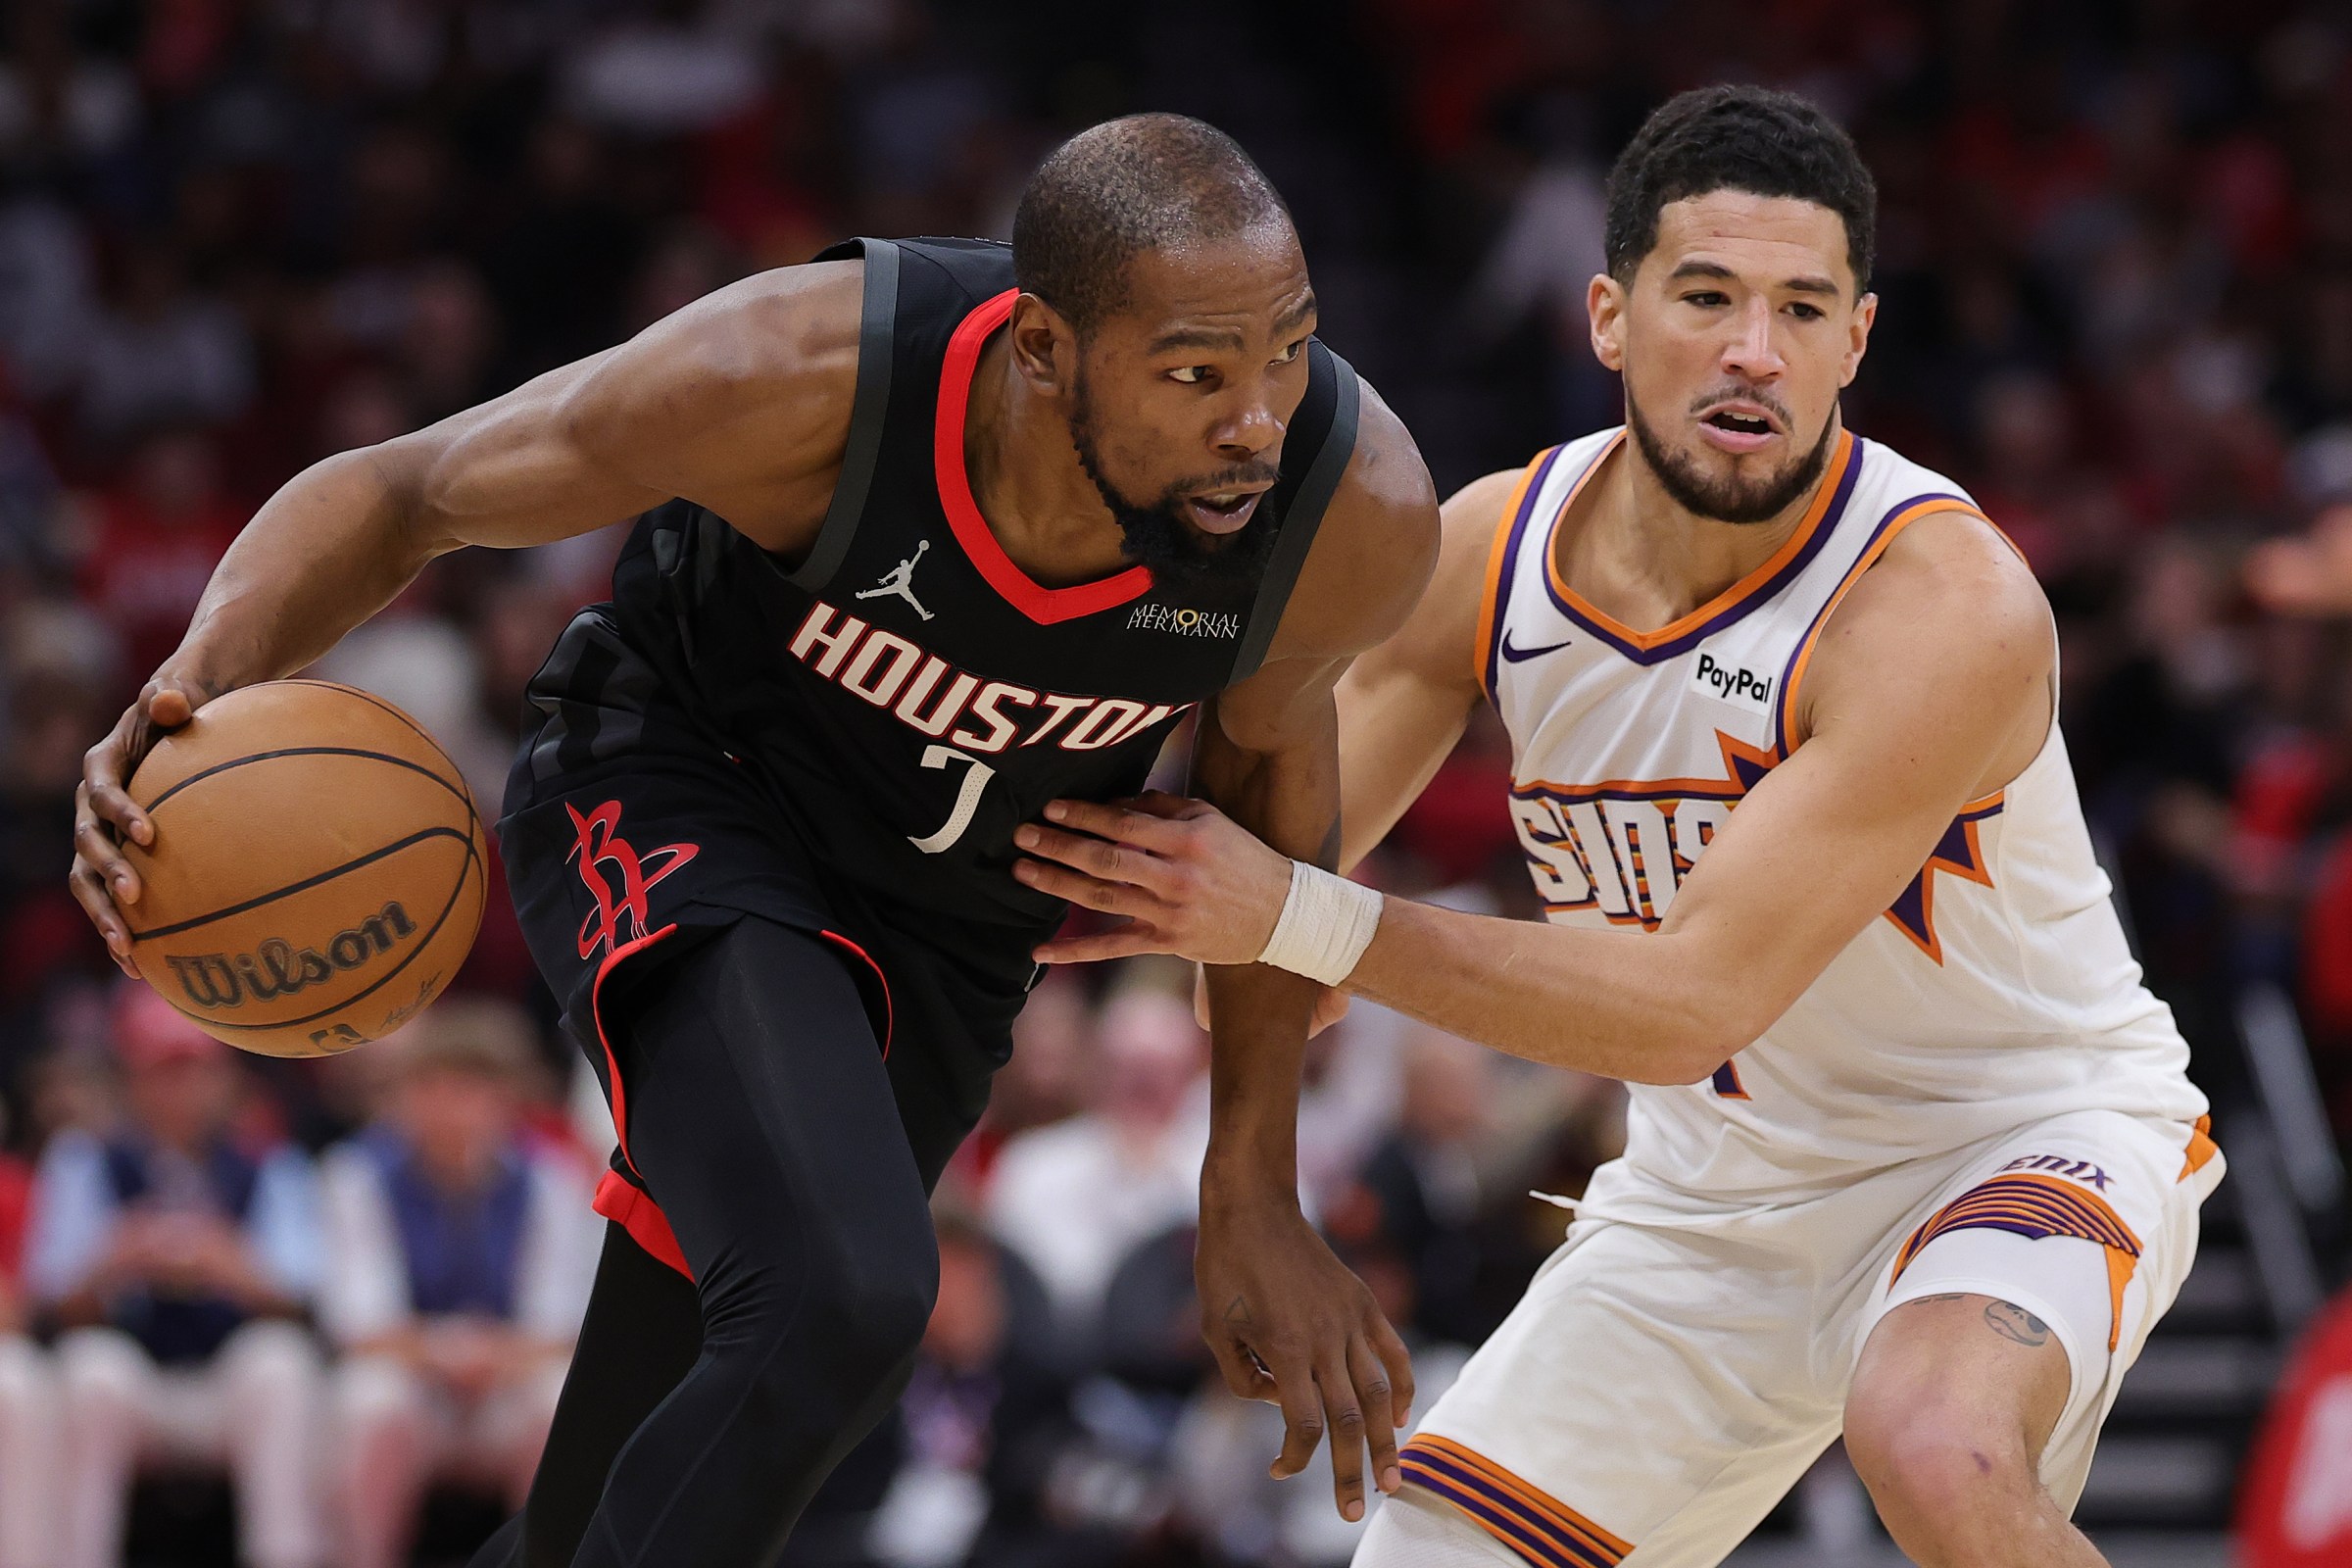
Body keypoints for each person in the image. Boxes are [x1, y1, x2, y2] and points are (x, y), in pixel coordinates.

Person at [70, 113, 1440, 1565]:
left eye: (1288, 350)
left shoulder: (1341, 510)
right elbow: (408, 488)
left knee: (620, 1488)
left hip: (953, 928)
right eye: (1196, 372)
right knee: (844, 1297)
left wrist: (1250, 1184)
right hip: (680, 788)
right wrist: (191, 686)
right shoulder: (802, 380)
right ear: (1042, 347)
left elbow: (1272, 776)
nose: (1257, 418)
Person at [1015, 86, 2220, 1568]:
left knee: (1933, 1439)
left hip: (2011, 1136)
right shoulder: (1485, 550)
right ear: (1606, 315)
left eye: (1800, 308)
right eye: (1705, 296)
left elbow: (1673, 1006)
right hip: (1711, 1198)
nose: (1751, 352)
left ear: (1858, 339)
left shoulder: (1939, 608)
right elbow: (1256, 931)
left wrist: (1293, 923)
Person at [25, 987, 325, 1568]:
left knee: (281, 1363)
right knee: (91, 1370)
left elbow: (307, 1308)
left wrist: (231, 1267)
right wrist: (113, 1261)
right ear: (131, 1080)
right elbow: (48, 1311)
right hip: (134, 1379)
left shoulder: (271, 1164)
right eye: (163, 1071)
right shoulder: (84, 1159)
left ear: (226, 1079)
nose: (181, 1089)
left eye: (195, 1071)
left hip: (227, 1378)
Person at [319, 1000, 601, 1568]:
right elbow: (359, 1326)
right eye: (432, 1089)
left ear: (507, 1101)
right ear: (404, 1095)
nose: (449, 1109)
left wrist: (487, 1356)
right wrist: (444, 1352)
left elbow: (563, 1326)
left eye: (469, 1091)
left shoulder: (552, 1181)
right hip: (414, 1388)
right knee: (373, 1398)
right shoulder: (354, 1174)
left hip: (505, 1388)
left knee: (556, 1400)